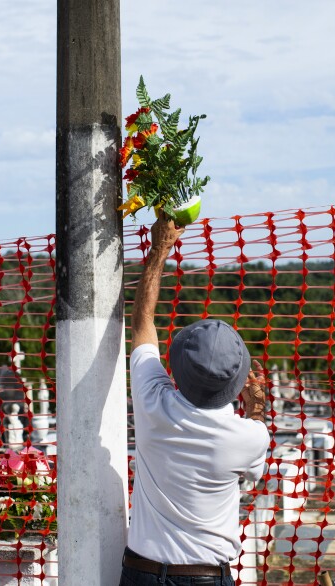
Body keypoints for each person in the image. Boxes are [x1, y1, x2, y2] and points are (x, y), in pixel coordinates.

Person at [121, 217, 271, 586]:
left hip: (142, 572)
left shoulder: (153, 401)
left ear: (177, 369)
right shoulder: (250, 437)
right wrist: (256, 406)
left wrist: (160, 250)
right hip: (207, 577)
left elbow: (143, 322)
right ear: (238, 382)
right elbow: (252, 477)